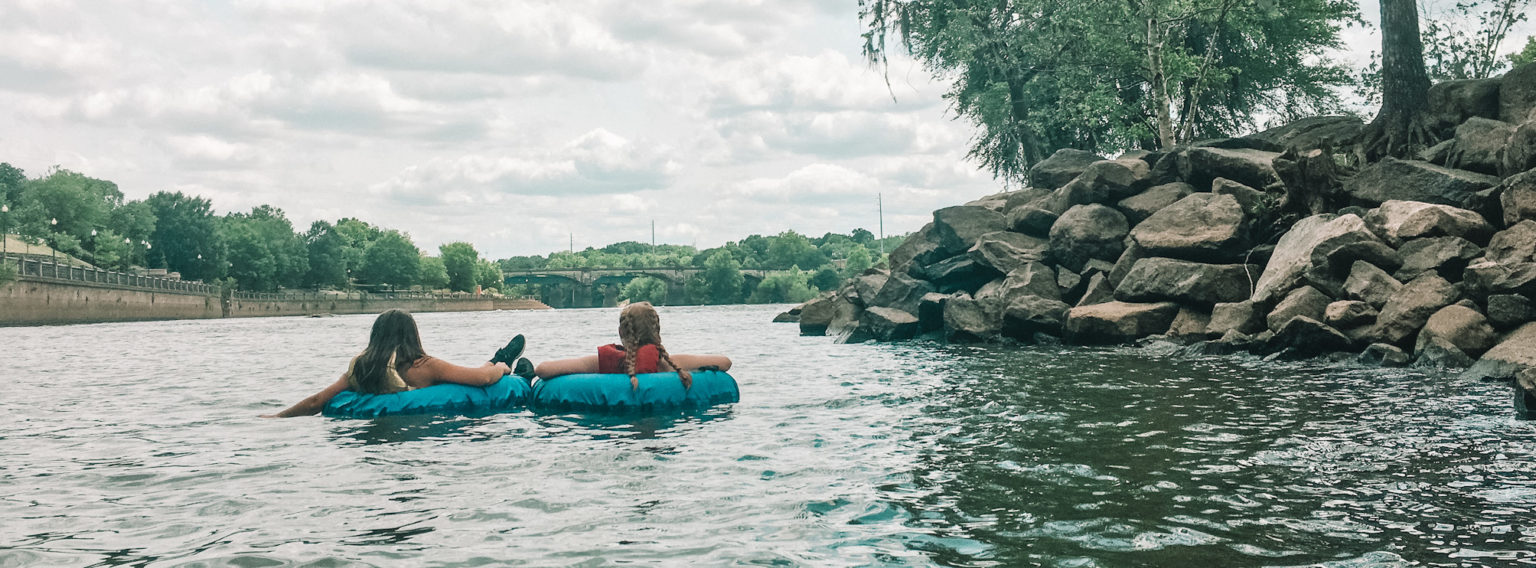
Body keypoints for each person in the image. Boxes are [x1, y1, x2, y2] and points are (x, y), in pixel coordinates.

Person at [263, 309, 533, 418]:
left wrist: (277, 417)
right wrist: (500, 370)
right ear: (412, 335)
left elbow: (316, 402)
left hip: (386, 422)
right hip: (433, 415)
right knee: (490, 375)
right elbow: (481, 380)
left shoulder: (361, 368)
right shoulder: (423, 365)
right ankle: (505, 362)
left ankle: (498, 358)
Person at [534, 302, 731, 389]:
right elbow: (725, 362)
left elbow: (542, 370)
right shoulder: (671, 363)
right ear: (657, 332)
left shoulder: (600, 363)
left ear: (621, 333)